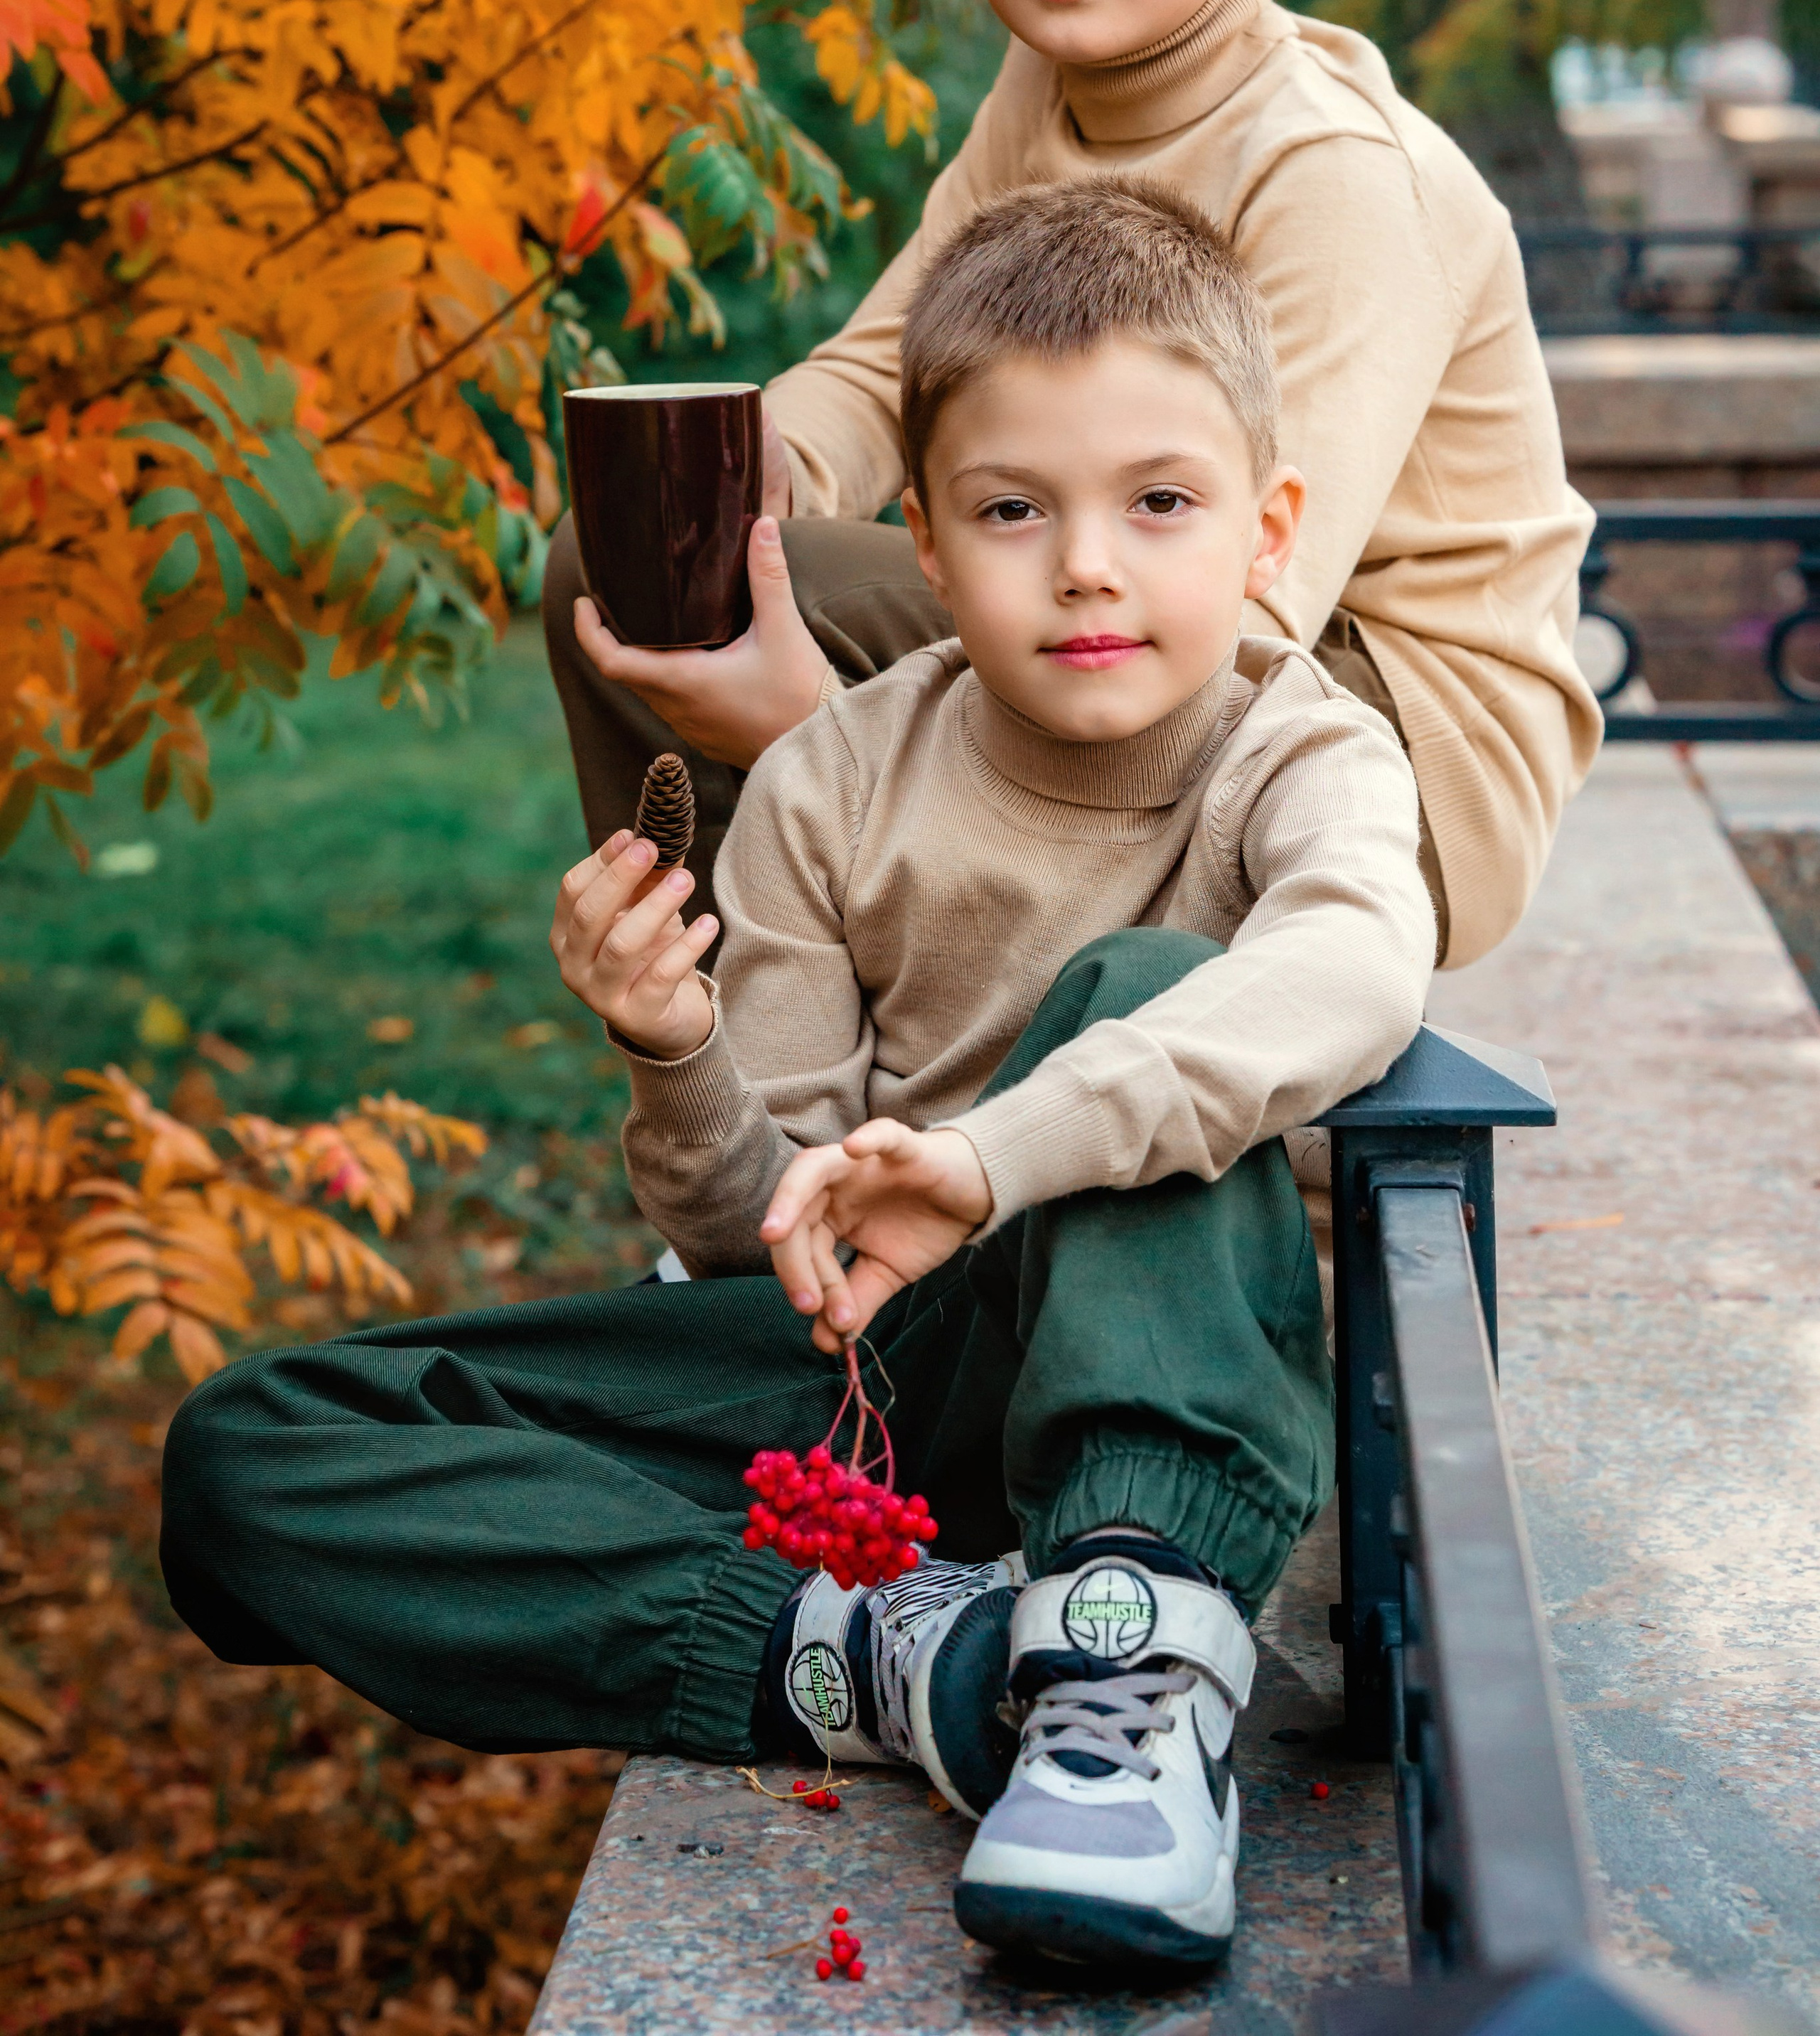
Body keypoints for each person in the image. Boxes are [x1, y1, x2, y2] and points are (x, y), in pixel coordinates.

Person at [160, 178, 1436, 1975]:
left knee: (1153, 996)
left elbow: (1358, 962)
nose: (1086, 563)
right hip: (876, 1373)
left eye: (1157, 503)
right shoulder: (838, 773)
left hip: (1144, 1360)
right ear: (923, 542)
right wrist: (672, 1048)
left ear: (1263, 526)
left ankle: (1131, 1656)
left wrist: (991, 1159)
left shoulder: (1298, 752)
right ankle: (914, 1666)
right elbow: (750, 1215)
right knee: (252, 1454)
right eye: (1013, 510)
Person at [545, 0, 1600, 973]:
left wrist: (825, 730)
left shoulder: (1337, 176)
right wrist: (726, 506)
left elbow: (1232, 611)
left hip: (1365, 754)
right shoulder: (1043, 93)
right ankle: (749, 1048)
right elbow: (879, 370)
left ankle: (871, 1036)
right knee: (627, 569)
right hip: (1145, 625)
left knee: (902, 609)